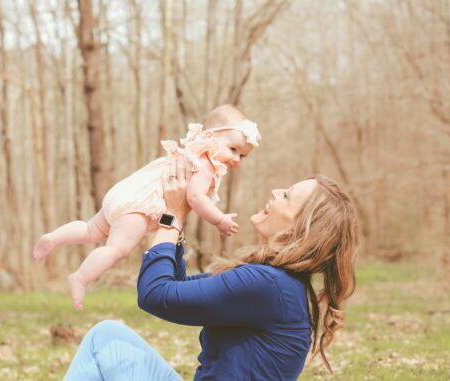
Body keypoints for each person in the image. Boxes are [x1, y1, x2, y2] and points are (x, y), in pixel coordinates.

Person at [63, 156, 360, 380]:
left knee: (105, 339)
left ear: (299, 229)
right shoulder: (276, 283)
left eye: (287, 196)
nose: (275, 191)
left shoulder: (268, 285)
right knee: (108, 337)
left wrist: (172, 216)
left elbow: (155, 294)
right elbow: (178, 292)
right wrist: (175, 224)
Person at [33, 105, 261, 310]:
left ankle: (54, 238)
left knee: (90, 229)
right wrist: (219, 220)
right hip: (139, 207)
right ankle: (81, 277)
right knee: (116, 249)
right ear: (210, 137)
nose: (237, 159)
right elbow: (195, 198)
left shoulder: (189, 152)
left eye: (243, 156)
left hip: (126, 192)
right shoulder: (206, 166)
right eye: (233, 149)